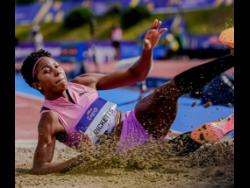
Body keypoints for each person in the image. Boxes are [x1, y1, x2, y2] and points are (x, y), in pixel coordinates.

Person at [20, 19, 234, 175]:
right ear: (37, 84)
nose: (57, 71)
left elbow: (136, 75)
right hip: (126, 152)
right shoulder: (50, 118)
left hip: (137, 121)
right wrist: (80, 160)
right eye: (47, 71)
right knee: (174, 149)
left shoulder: (83, 82)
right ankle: (199, 136)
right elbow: (40, 167)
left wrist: (147, 51)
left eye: (56, 65)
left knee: (165, 92)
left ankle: (230, 58)